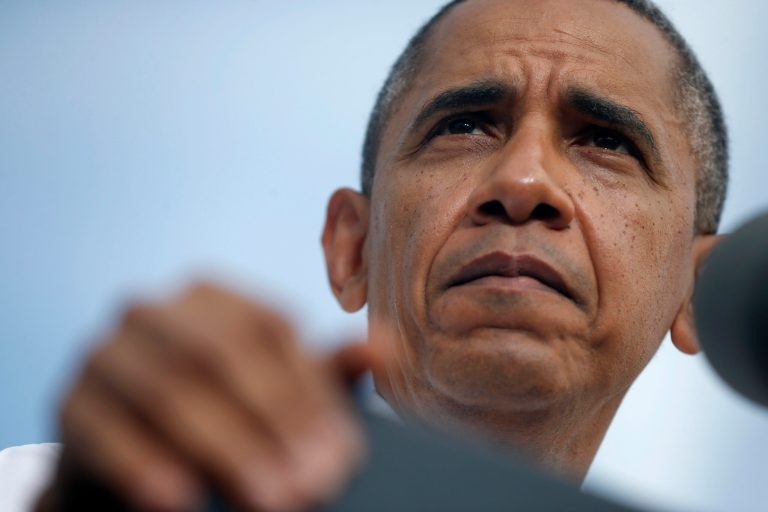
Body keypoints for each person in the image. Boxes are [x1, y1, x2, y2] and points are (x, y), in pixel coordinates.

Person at [12, 0, 728, 510]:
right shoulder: (56, 490)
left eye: (606, 141)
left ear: (700, 294)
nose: (523, 181)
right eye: (467, 125)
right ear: (351, 248)